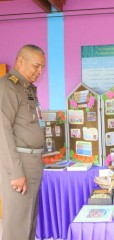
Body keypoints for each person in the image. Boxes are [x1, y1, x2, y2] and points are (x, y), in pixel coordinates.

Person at [0, 44, 45, 240]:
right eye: (36, 66)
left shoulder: (27, 89)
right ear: (20, 61)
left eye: (42, 67)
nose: (39, 71)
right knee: (17, 226)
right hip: (19, 163)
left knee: (29, 224)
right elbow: (2, 131)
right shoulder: (8, 87)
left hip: (33, 162)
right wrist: (16, 172)